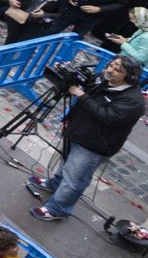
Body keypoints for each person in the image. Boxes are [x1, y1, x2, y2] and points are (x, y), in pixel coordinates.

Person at [28, 56, 145, 221]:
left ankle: (57, 209)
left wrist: (82, 96)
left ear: (130, 77)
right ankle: (55, 184)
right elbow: (89, 81)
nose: (110, 69)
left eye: (117, 69)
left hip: (95, 144)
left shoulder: (133, 101)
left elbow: (108, 117)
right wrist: (71, 72)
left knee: (75, 178)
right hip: (78, 130)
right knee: (65, 164)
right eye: (111, 64)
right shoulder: (104, 78)